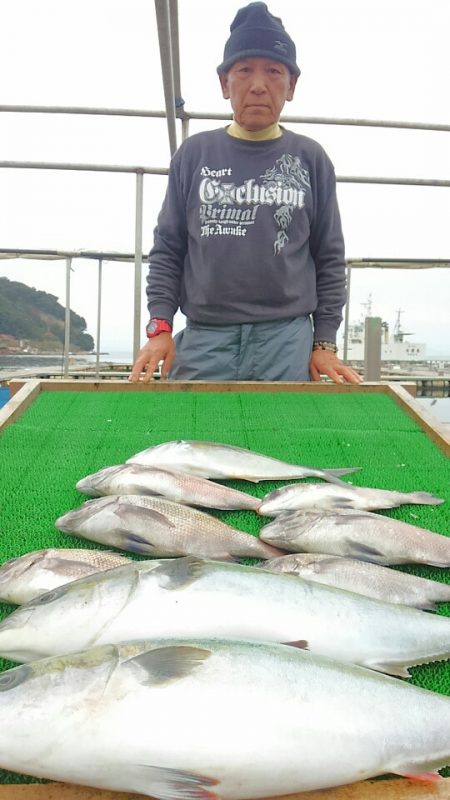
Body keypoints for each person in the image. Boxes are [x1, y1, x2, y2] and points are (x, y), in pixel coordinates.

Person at [129, 2, 362, 385]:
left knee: (286, 442)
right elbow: (169, 248)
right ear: (225, 83)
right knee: (193, 437)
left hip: (288, 340)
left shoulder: (311, 158)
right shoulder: (194, 154)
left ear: (291, 86)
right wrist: (160, 328)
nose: (258, 84)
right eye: (244, 70)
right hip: (205, 338)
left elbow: (330, 258)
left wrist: (324, 343)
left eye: (273, 71)